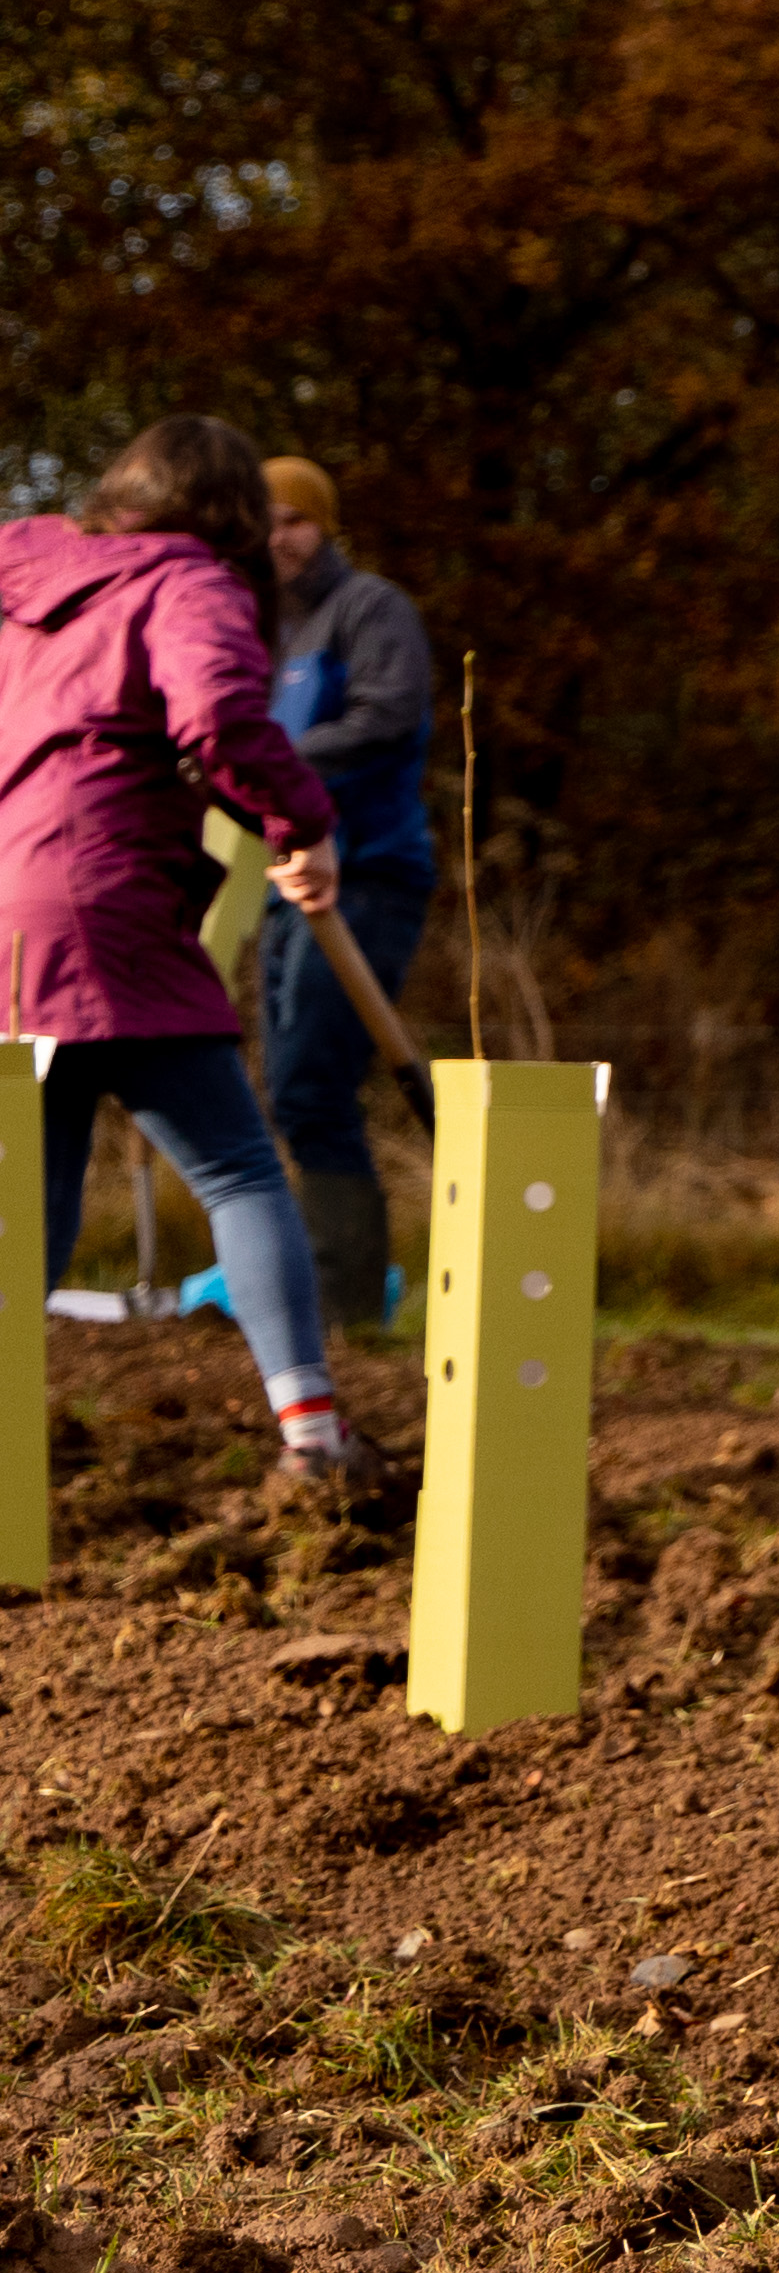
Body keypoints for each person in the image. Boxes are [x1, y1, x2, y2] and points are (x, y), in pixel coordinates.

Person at [0, 418, 357, 1479]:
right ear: (233, 514)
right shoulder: (186, 581)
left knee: (37, 1185)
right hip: (103, 904)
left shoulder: (23, 571)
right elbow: (222, 721)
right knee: (240, 1170)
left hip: (10, 904)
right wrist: (303, 826)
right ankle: (315, 1435)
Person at [253, 457, 436, 1329]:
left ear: (322, 526)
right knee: (292, 1090)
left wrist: (267, 766)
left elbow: (388, 715)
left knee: (312, 1088)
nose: (275, 537)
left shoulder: (369, 609)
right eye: (263, 522)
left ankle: (349, 1303)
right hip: (287, 880)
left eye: (292, 520)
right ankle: (328, 1296)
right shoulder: (266, 629)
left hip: (366, 876)